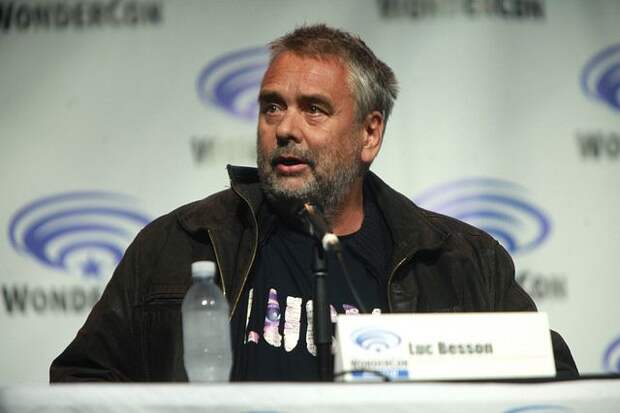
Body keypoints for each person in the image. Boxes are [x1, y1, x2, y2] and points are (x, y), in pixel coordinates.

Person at [50, 24, 577, 382]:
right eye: (272, 107)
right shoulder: (177, 246)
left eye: (314, 110)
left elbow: (552, 388)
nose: (285, 128)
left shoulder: (462, 262)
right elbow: (82, 381)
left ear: (370, 134)